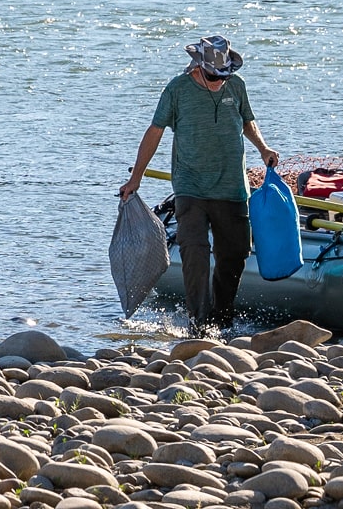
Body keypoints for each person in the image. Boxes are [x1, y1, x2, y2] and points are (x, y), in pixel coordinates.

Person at [119, 34, 279, 333]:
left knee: (234, 255)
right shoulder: (177, 90)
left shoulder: (237, 86)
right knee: (194, 252)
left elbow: (247, 121)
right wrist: (136, 178)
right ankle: (199, 323)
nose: (219, 80)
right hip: (191, 186)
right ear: (198, 67)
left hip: (232, 187)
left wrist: (263, 148)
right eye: (212, 75)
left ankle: (222, 319)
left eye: (224, 74)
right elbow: (154, 132)